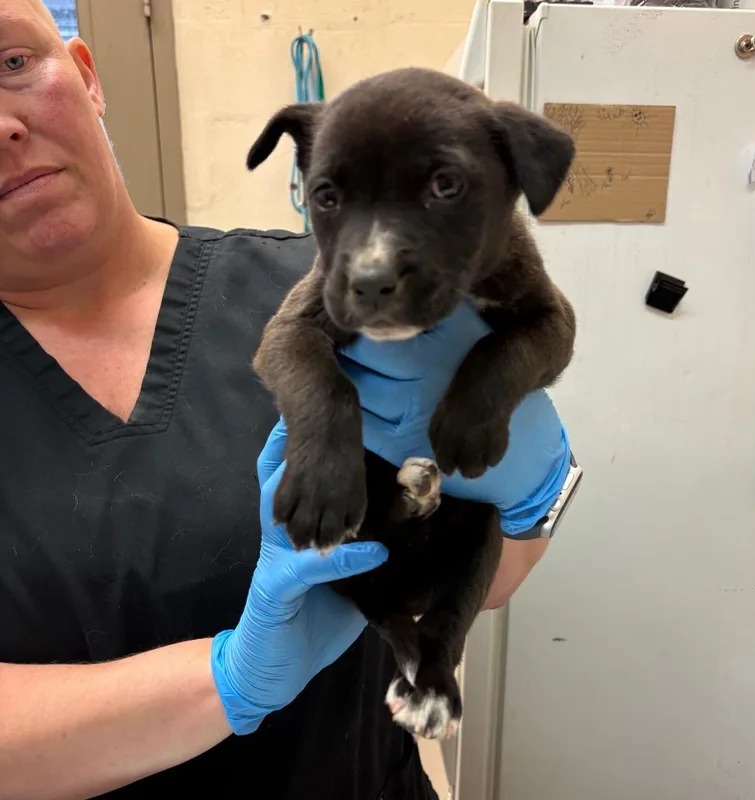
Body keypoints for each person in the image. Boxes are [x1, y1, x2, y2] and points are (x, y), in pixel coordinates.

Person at [0, 2, 574, 797]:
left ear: (87, 75)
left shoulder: (297, 278)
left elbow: (495, 576)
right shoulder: (314, 316)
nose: (3, 126)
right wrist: (227, 684)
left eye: (12, 62)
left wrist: (534, 501)